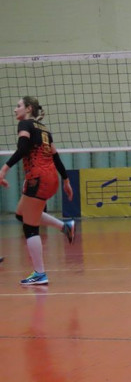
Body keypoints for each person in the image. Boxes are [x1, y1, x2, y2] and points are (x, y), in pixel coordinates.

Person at [0, 96, 75, 285]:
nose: (15, 109)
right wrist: (66, 180)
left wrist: (4, 169)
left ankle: (40, 273)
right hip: (50, 178)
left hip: (38, 178)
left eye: (18, 106)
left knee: (30, 226)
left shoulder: (25, 124)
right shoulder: (44, 129)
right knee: (21, 214)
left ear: (28, 109)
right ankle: (65, 227)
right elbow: (56, 157)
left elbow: (23, 149)